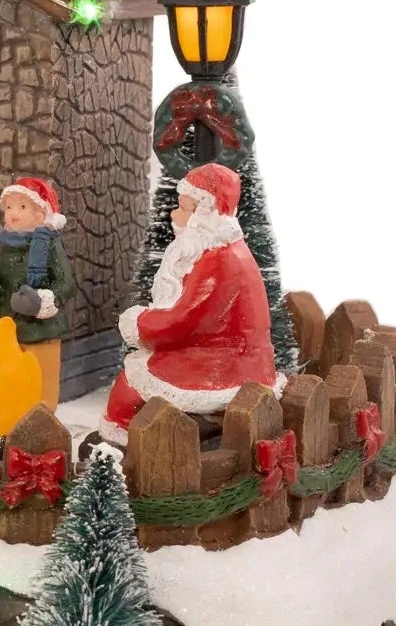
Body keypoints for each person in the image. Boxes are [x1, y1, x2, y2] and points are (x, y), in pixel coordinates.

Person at [101, 161, 279, 439]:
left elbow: (184, 320)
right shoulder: (216, 251)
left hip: (224, 364)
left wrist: (136, 323)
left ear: (203, 215)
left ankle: (124, 440)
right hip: (222, 353)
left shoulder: (219, 260)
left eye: (183, 208)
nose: (175, 215)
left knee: (129, 387)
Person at [0, 175, 74, 411]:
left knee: (40, 386)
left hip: (41, 333)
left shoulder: (49, 246)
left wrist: (40, 302)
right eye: (9, 207)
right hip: (8, 330)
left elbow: (66, 284)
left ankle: (41, 423)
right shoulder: (7, 248)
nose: (13, 213)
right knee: (10, 385)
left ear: (39, 214)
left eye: (22, 207)